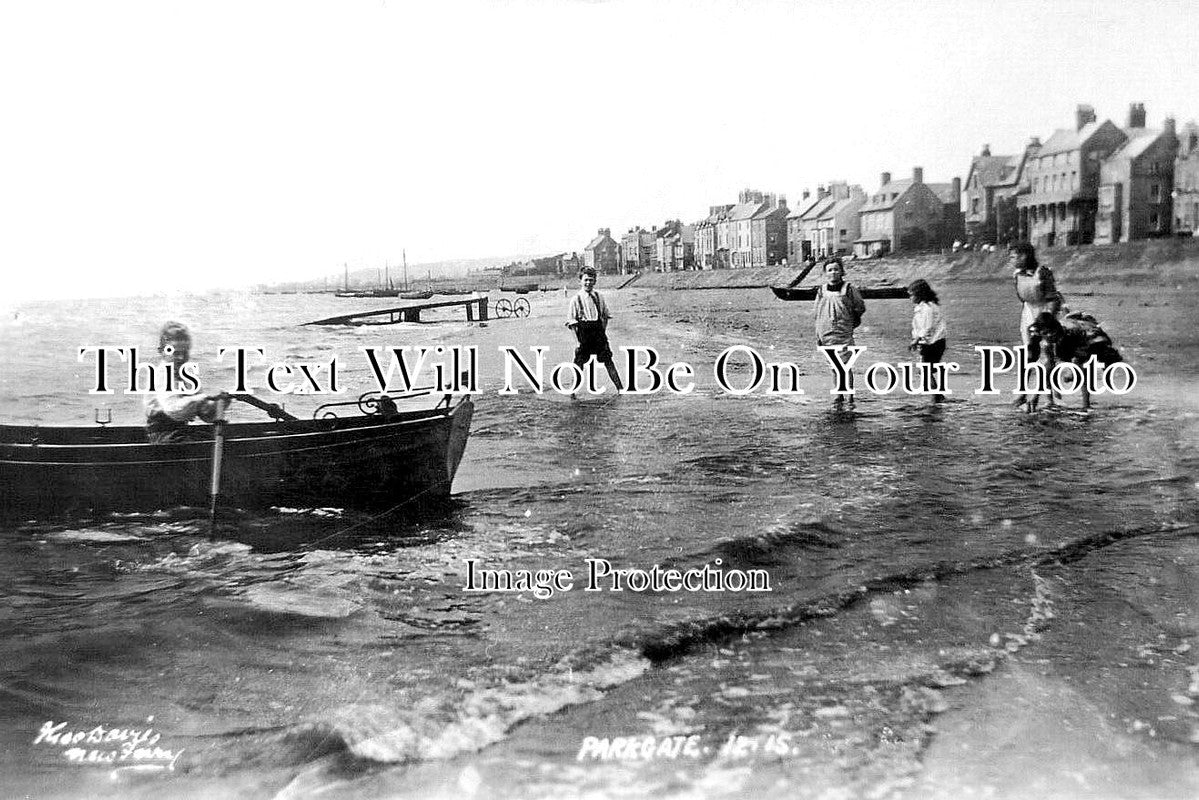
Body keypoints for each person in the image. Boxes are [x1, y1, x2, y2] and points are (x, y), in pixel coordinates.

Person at [143, 321, 225, 442]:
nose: (181, 358)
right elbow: (173, 410)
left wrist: (221, 403)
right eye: (176, 353)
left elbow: (206, 415)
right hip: (162, 435)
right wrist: (198, 398)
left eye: (185, 353)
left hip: (180, 430)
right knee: (197, 447)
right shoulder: (161, 374)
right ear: (162, 352)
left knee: (218, 440)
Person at [813, 258, 866, 404]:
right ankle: (838, 393)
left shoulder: (849, 289)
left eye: (836, 269)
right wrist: (818, 333)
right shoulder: (821, 290)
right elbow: (817, 312)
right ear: (825, 273)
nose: (833, 272)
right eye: (830, 270)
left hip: (843, 332)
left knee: (846, 365)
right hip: (826, 333)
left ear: (842, 271)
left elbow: (860, 307)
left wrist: (851, 323)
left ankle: (849, 394)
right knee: (833, 365)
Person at [566, 267, 623, 397]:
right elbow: (572, 324)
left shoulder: (599, 297)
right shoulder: (576, 299)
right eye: (586, 280)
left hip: (598, 333)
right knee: (579, 363)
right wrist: (577, 342)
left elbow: (605, 316)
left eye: (591, 280)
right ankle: (572, 391)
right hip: (583, 334)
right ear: (580, 281)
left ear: (595, 281)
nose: (588, 283)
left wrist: (602, 332)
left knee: (608, 360)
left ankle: (620, 388)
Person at [1010, 242, 1063, 348]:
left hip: (1046, 311)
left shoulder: (1042, 273)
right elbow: (1022, 298)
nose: (1011, 260)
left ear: (1024, 256)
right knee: (1029, 346)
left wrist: (1047, 317)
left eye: (1013, 257)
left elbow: (1052, 298)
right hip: (1028, 311)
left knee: (1049, 345)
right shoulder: (1017, 275)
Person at [907, 279, 948, 402]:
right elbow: (919, 327)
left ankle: (938, 397)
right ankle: (938, 396)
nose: (910, 298)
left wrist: (916, 340)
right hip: (930, 342)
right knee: (925, 371)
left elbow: (928, 327)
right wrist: (916, 339)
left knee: (925, 371)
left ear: (919, 294)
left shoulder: (928, 308)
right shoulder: (922, 307)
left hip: (934, 342)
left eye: (911, 295)